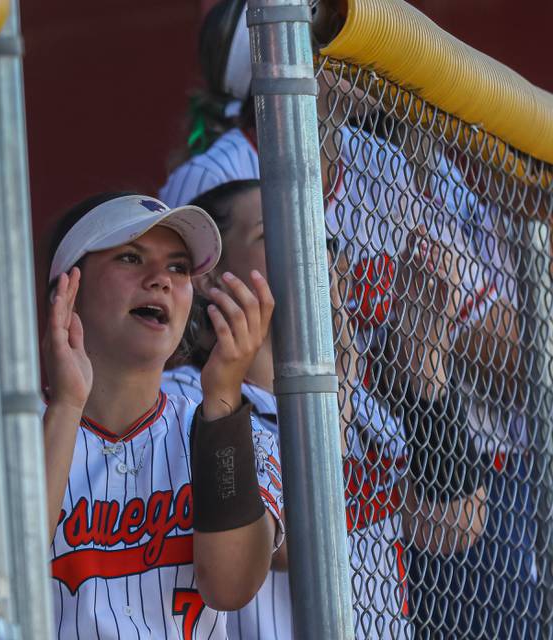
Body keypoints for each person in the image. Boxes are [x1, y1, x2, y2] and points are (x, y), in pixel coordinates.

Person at [162, 179, 486, 639]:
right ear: (213, 277)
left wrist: (425, 361)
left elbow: (453, 526)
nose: (311, 245)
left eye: (324, 234)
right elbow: (288, 549)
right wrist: (333, 404)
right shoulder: (188, 403)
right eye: (275, 230)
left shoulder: (365, 404)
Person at [42, 192, 283, 639]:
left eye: (178, 267)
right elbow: (4, 566)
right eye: (131, 257)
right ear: (68, 290)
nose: (161, 280)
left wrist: (224, 393)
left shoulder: (224, 430)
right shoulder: (14, 432)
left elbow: (230, 585)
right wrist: (67, 405)